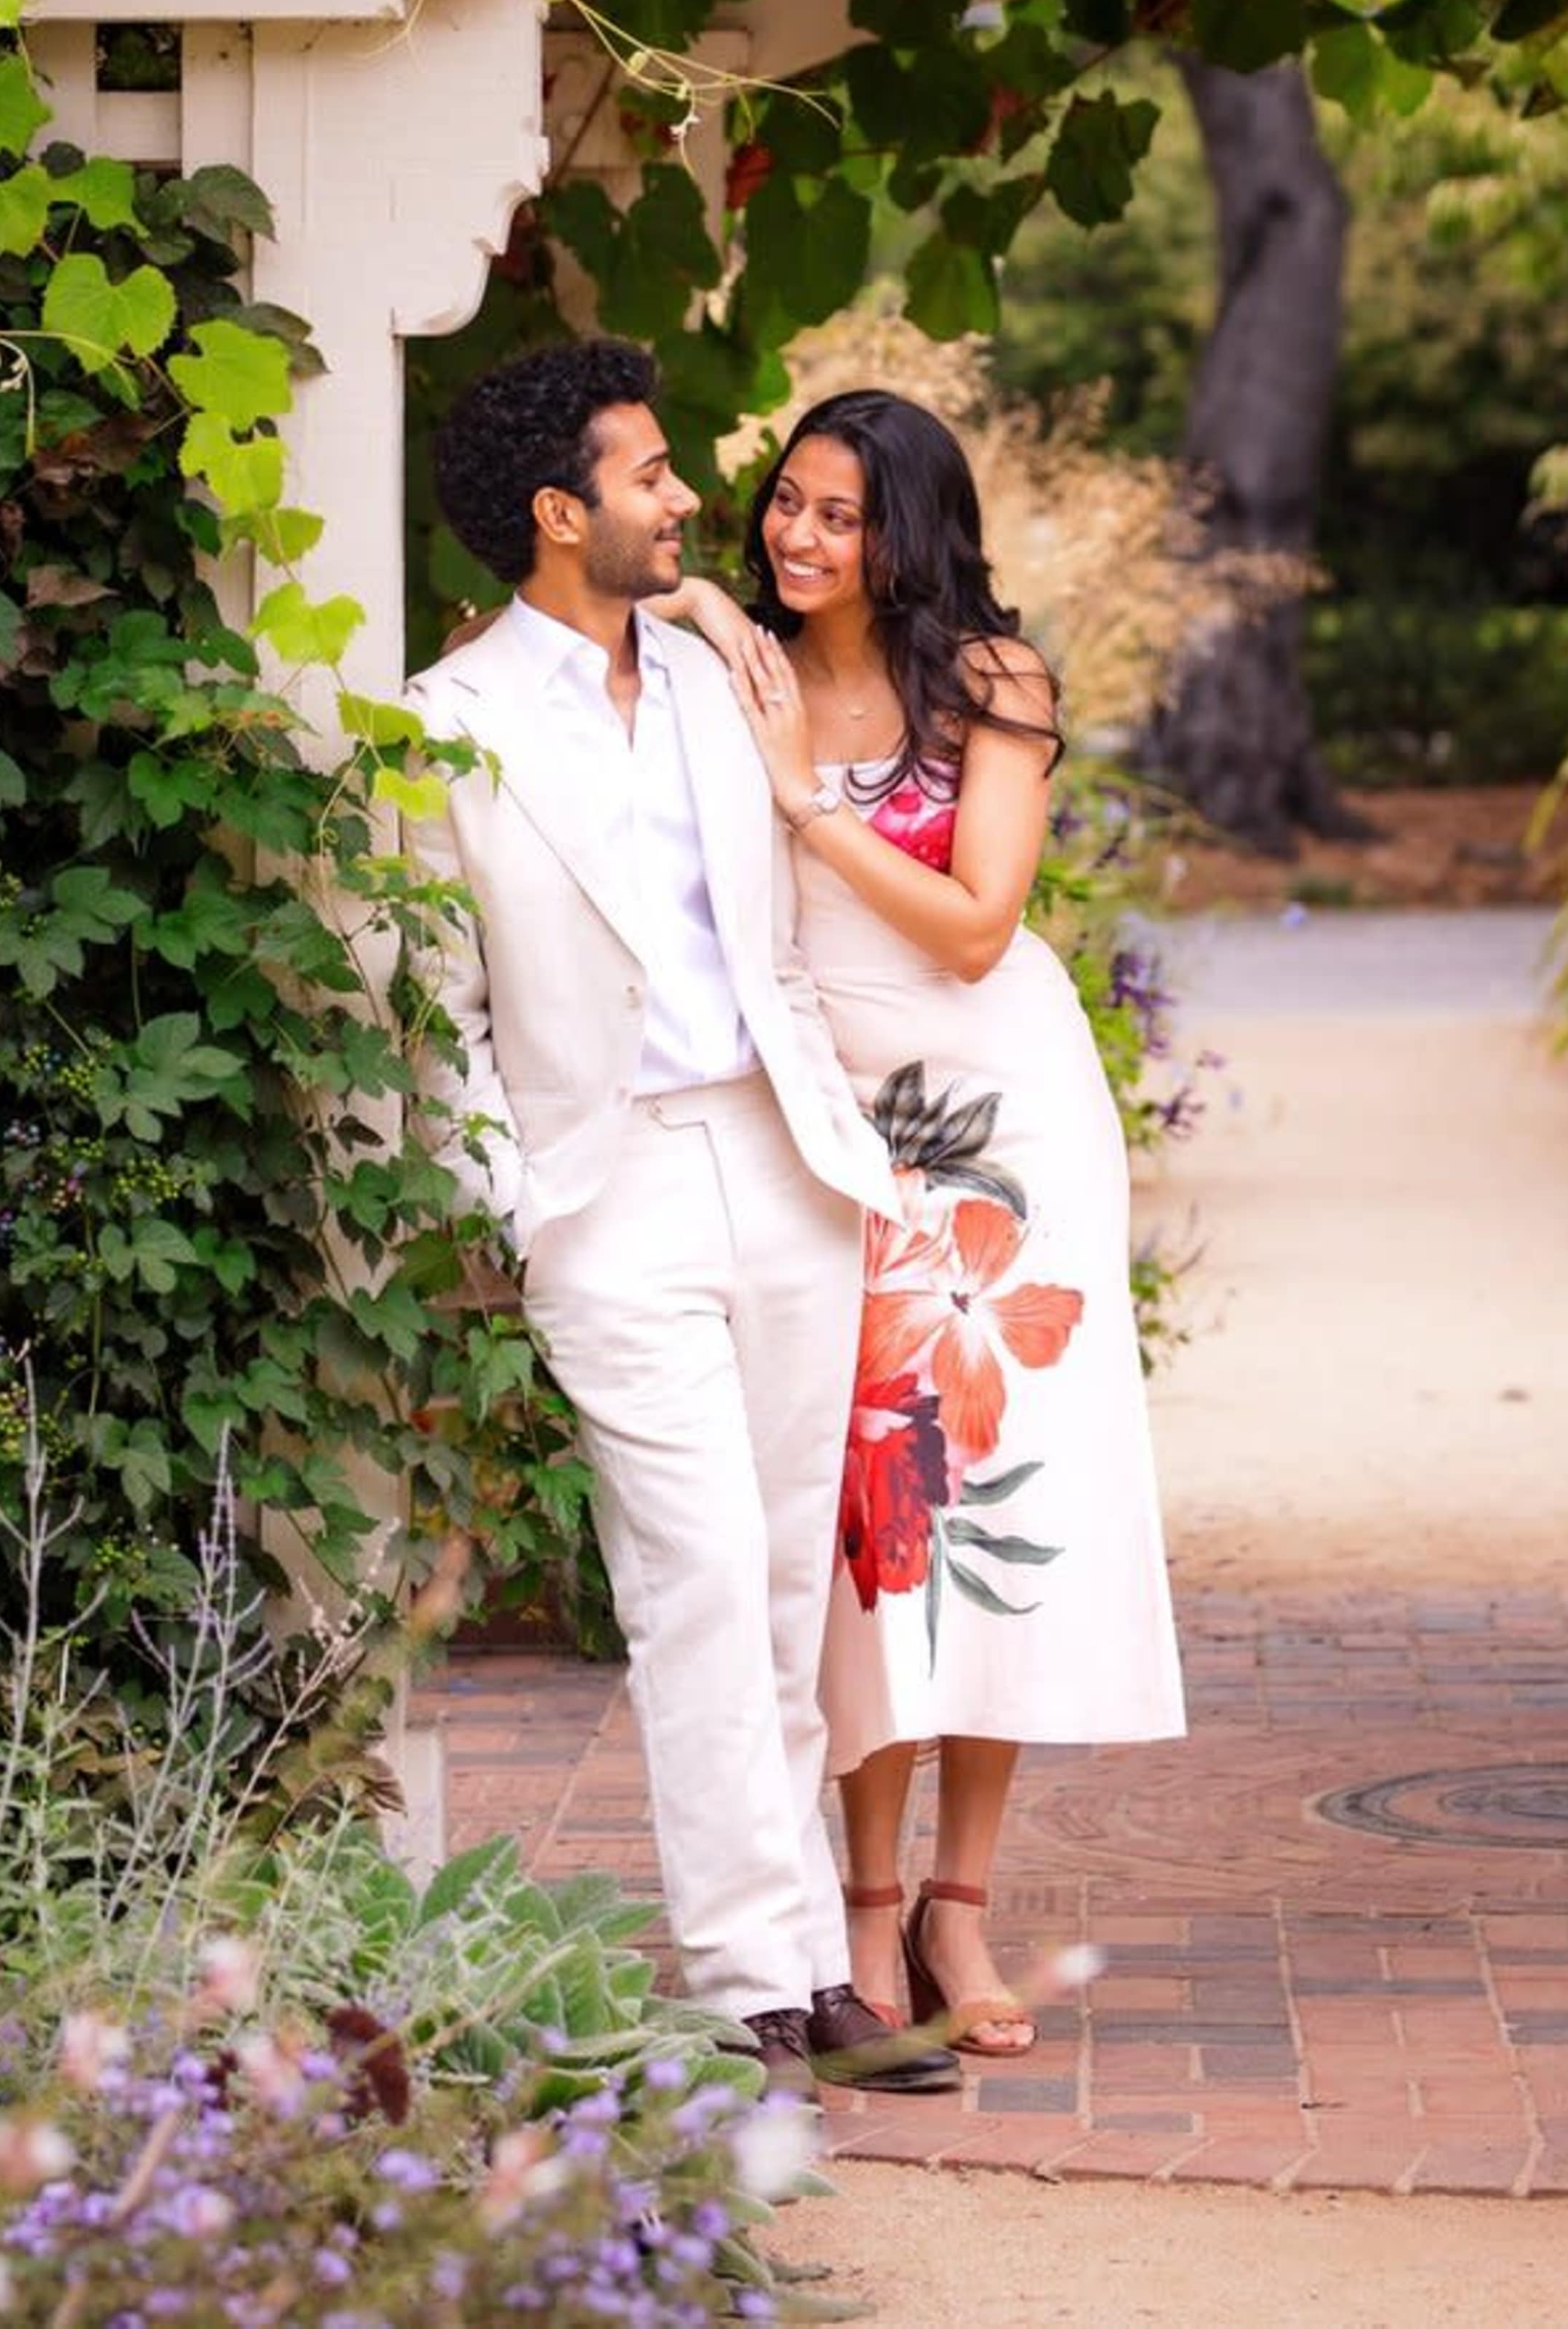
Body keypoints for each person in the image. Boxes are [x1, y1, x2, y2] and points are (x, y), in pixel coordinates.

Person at [402, 335, 960, 2099]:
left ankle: (810, 1958)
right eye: (650, 474)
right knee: (699, 1571)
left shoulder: (729, 672)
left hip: (783, 1164)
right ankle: (745, 1974)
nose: (686, 496)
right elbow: (432, 1011)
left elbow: (778, 930)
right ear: (562, 513)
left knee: (792, 1574)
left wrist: (845, 1151)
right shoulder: (448, 724)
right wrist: (523, 1207)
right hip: (608, 1182)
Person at [667, 389, 1184, 2060]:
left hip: (1007, 1127)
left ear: (912, 527)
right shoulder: (738, 659)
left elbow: (977, 926)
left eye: (842, 514)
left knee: (999, 1515)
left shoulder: (990, 685)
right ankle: (860, 1908)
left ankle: (961, 1905)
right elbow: (619, 610)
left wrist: (806, 800)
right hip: (839, 1131)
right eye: (787, 505)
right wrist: (678, 598)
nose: (800, 538)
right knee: (869, 1532)